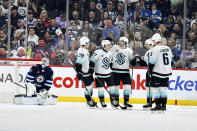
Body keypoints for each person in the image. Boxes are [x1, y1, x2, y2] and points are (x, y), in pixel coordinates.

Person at [89, 40, 117, 108]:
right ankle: (102, 101)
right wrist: (92, 69)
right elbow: (92, 60)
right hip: (99, 74)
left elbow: (110, 63)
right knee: (101, 89)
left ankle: (112, 100)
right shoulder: (98, 52)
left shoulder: (110, 52)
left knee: (112, 87)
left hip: (109, 73)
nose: (110, 46)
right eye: (108, 45)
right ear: (104, 46)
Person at [149, 34, 172, 111]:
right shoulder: (168, 48)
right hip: (166, 72)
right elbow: (170, 59)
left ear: (154, 41)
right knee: (163, 89)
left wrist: (150, 72)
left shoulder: (155, 49)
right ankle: (164, 106)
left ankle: (158, 106)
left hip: (157, 72)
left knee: (155, 89)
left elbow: (152, 62)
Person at [110, 37, 134, 108]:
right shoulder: (114, 47)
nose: (120, 42)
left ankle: (126, 101)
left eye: (122, 41)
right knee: (116, 87)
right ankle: (115, 101)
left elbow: (131, 61)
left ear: (125, 43)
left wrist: (134, 60)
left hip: (125, 72)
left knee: (127, 87)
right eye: (120, 41)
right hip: (115, 71)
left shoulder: (129, 51)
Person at [74, 37, 97, 108]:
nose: (89, 44)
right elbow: (78, 63)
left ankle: (89, 99)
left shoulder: (85, 50)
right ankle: (88, 100)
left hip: (87, 72)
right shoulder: (82, 51)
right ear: (85, 43)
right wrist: (79, 72)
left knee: (91, 85)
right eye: (88, 43)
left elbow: (86, 61)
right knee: (88, 87)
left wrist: (90, 67)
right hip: (84, 72)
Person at [140, 39, 155, 108]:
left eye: (147, 44)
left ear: (151, 44)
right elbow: (146, 64)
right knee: (149, 87)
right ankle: (150, 101)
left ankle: (150, 102)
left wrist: (150, 72)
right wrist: (139, 61)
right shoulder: (148, 52)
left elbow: (151, 63)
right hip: (150, 71)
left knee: (151, 87)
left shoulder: (152, 52)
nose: (146, 46)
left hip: (152, 71)